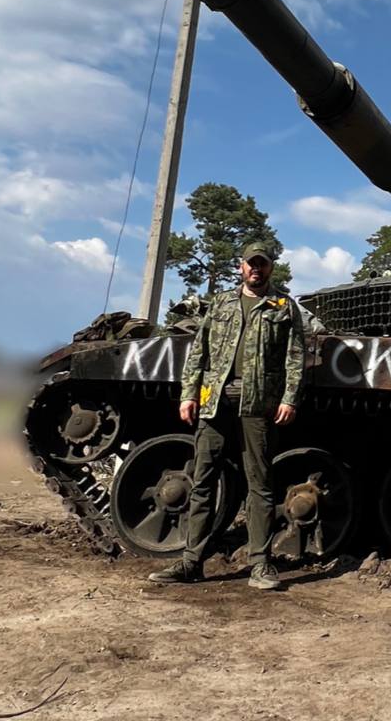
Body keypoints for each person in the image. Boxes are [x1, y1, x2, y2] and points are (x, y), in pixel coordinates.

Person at [149, 242, 305, 590]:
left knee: (260, 485)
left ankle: (260, 565)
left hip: (258, 405)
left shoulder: (283, 307)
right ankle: (191, 562)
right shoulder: (221, 302)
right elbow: (199, 351)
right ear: (241, 267)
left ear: (270, 268)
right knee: (203, 483)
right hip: (215, 402)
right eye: (251, 264)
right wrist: (188, 394)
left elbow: (295, 358)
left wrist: (289, 398)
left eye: (262, 264)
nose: (256, 269)